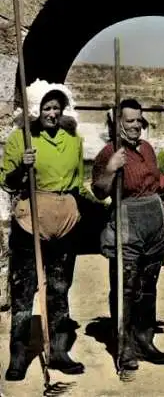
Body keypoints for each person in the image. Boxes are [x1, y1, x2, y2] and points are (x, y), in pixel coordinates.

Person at [1, 79, 90, 380]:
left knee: (59, 288)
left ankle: (59, 350)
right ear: (35, 110)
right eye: (45, 108)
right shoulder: (21, 139)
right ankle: (18, 354)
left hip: (64, 223)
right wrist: (21, 167)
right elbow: (6, 181)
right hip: (31, 221)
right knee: (24, 290)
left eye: (56, 108)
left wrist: (75, 213)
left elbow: (78, 183)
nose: (51, 113)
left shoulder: (73, 140)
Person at [91, 98, 164, 372]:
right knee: (125, 287)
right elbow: (100, 191)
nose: (136, 125)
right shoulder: (109, 152)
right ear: (117, 123)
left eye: (139, 120)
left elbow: (154, 181)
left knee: (148, 287)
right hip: (127, 223)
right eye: (130, 121)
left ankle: (145, 340)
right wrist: (111, 168)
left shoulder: (148, 148)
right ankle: (124, 345)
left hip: (153, 223)